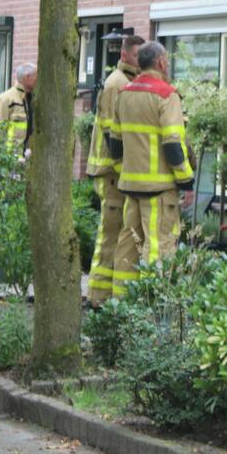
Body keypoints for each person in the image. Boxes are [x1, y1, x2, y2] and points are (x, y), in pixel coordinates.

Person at [109, 41, 195, 269]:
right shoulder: (166, 95)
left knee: (128, 245)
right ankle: (154, 292)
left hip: (130, 186)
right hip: (159, 189)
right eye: (167, 59)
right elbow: (173, 145)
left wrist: (124, 172)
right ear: (161, 62)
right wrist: (186, 181)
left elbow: (114, 143)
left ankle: (121, 291)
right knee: (159, 246)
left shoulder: (123, 93)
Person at [85, 34, 144, 303]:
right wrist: (124, 169)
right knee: (109, 235)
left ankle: (109, 297)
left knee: (120, 234)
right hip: (111, 173)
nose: (140, 60)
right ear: (124, 55)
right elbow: (112, 135)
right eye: (136, 55)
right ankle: (97, 298)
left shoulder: (129, 82)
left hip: (118, 174)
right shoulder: (116, 84)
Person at [0, 63, 36, 149]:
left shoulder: (31, 99)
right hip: (10, 156)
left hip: (27, 155)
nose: (38, 80)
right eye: (36, 76)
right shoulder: (4, 100)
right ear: (28, 77)